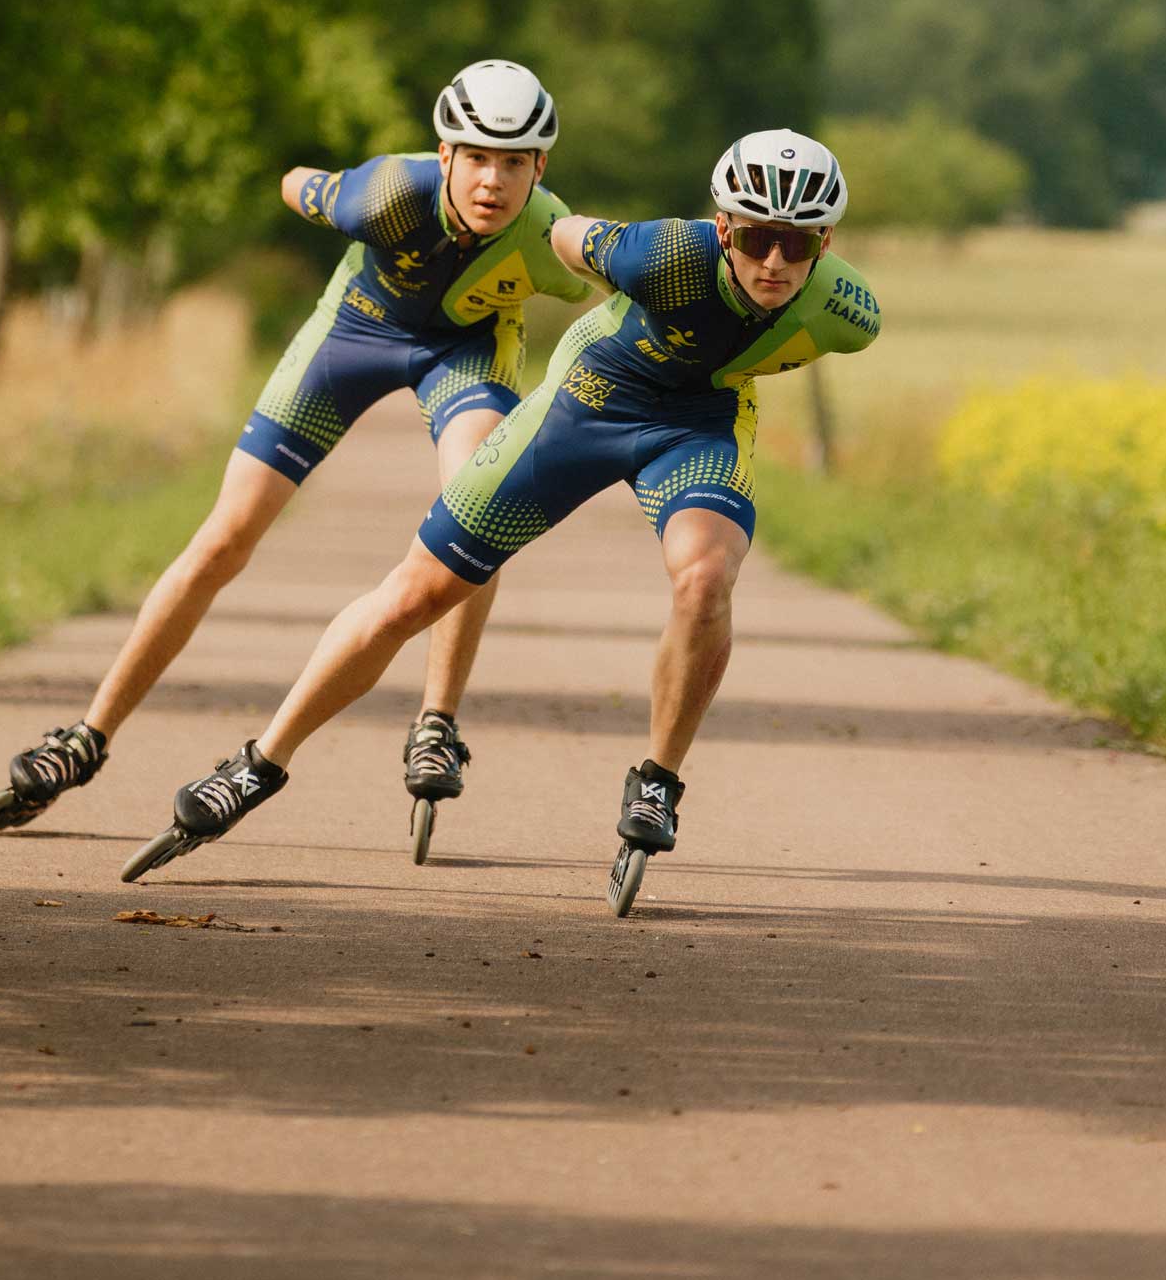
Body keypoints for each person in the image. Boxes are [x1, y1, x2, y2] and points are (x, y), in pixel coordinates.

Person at [133, 129, 881, 872]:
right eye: (755, 238)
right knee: (413, 597)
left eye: (798, 243)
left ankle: (656, 782)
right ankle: (261, 761)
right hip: (588, 403)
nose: (775, 261)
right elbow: (563, 234)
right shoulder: (664, 255)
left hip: (699, 426)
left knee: (706, 578)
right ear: (724, 227)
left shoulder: (850, 312)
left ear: (826, 241)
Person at [0, 59, 593, 833]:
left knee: (474, 500)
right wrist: (318, 190)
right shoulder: (388, 193)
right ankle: (86, 737)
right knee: (224, 537)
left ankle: (437, 723)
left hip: (464, 355)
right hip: (352, 334)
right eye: (477, 158)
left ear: (541, 167)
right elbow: (297, 182)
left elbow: (633, 287)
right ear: (445, 154)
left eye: (515, 162)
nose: (492, 181)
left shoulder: (550, 236)